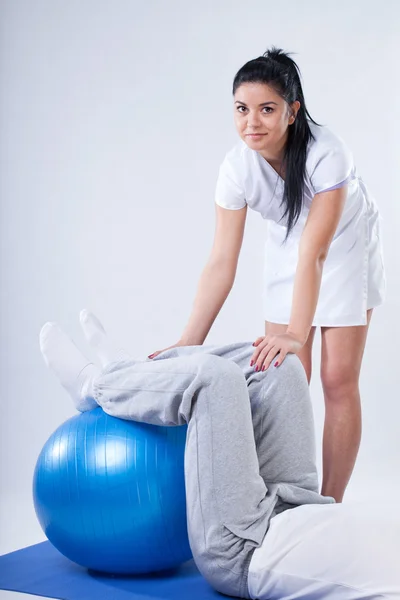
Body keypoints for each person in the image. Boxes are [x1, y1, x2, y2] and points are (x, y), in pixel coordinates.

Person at [148, 47, 386, 503]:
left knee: (337, 378)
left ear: (292, 112)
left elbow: (316, 253)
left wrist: (298, 332)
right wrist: (188, 342)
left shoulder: (328, 154)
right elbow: (221, 261)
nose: (251, 122)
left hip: (344, 245)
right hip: (289, 245)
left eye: (267, 109)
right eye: (241, 109)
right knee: (285, 380)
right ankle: (290, 499)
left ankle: (329, 505)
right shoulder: (236, 168)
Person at [39, 310, 399, 600]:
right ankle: (139, 373)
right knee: (279, 368)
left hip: (246, 549)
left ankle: (96, 386)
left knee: (214, 381)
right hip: (302, 504)